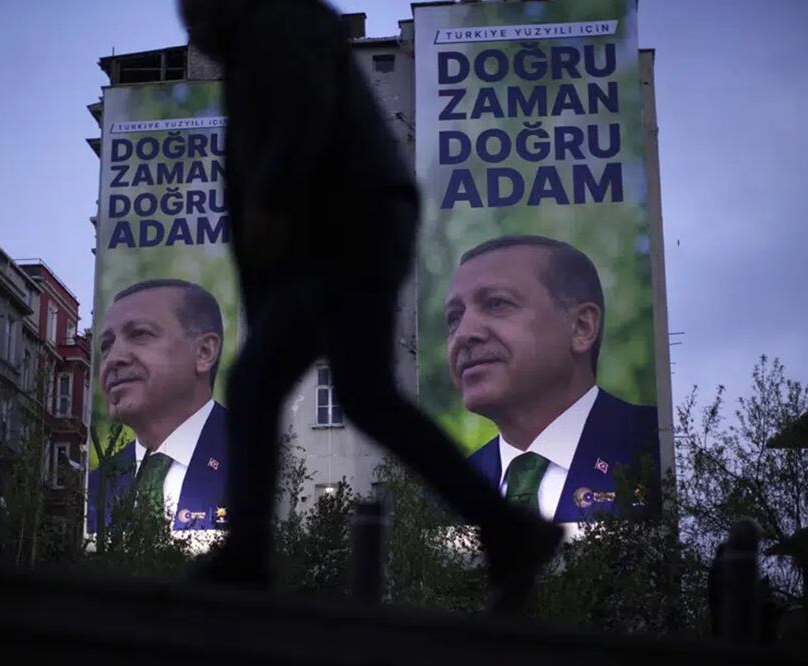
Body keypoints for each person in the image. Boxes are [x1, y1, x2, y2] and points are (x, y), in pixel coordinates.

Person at [177, 0, 561, 609]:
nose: (188, 19)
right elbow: (247, 212)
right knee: (355, 395)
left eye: (194, 6)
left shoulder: (276, 21)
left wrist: (272, 204)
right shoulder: (248, 57)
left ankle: (248, 558)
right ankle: (506, 530)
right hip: (346, 228)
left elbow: (303, 116)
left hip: (350, 224)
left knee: (272, 388)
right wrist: (262, 286)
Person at [445, 235, 661, 523]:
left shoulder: (665, 451)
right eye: (453, 318)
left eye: (497, 304)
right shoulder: (444, 496)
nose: (463, 333)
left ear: (582, 327)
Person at [88, 279, 228, 533]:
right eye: (106, 346)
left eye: (140, 334)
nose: (114, 359)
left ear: (204, 352)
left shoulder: (254, 458)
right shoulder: (97, 486)